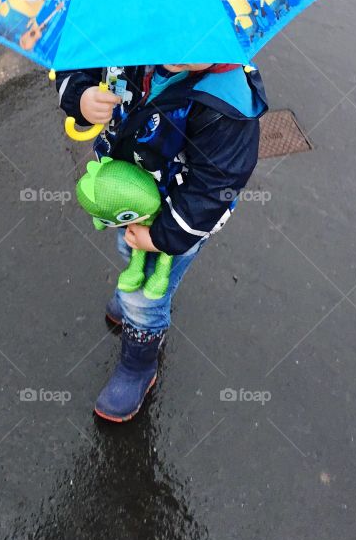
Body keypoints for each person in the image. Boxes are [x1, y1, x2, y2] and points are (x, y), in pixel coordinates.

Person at [55, 63, 267, 422]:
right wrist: (82, 96)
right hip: (130, 193)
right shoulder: (131, 39)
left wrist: (161, 236)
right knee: (126, 248)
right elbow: (81, 61)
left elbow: (215, 189)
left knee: (148, 293)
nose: (178, 48)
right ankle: (131, 296)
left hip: (175, 216)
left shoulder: (227, 103)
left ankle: (138, 362)